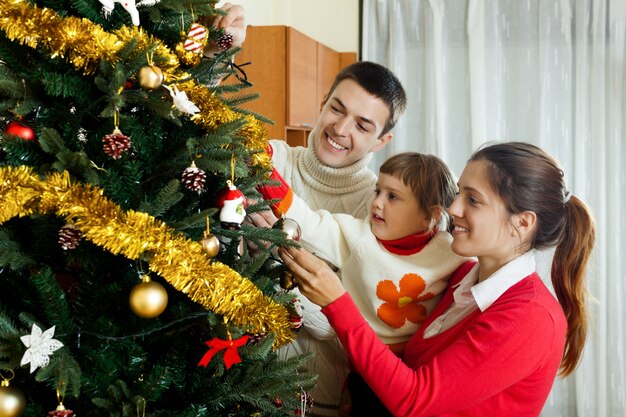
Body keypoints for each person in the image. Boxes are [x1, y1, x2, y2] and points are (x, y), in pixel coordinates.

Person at [278, 141, 596, 417]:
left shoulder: (530, 317)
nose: (453, 208)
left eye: (473, 200)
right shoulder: (459, 281)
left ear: (522, 223)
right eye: (458, 194)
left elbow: (415, 398)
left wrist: (337, 302)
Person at [251, 61, 407, 416]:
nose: (340, 128)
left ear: (382, 141)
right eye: (337, 108)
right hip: (226, 387)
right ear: (323, 103)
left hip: (317, 403)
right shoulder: (270, 160)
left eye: (363, 125)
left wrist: (276, 257)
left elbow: (345, 328)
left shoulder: (380, 207)